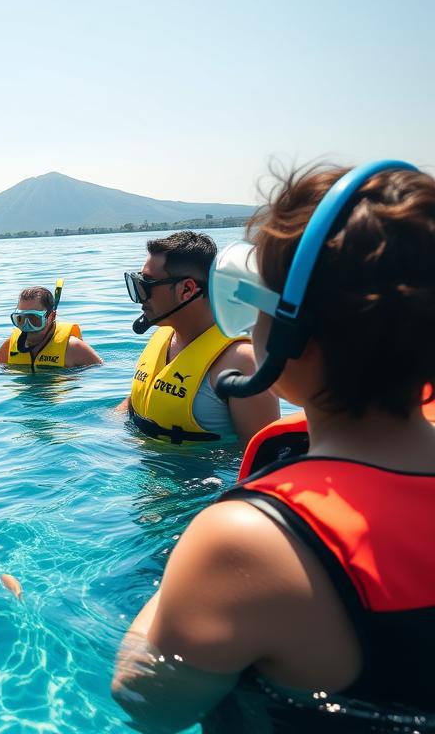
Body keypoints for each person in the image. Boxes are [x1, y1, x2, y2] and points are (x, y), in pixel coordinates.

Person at [111, 161, 435, 732]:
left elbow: (146, 701)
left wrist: (186, 571)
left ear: (292, 332)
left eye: (258, 298)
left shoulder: (244, 541)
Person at [117, 231, 279, 444]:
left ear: (187, 289)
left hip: (203, 476)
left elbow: (264, 458)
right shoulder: (163, 336)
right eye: (136, 283)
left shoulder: (244, 363)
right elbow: (136, 402)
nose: (139, 297)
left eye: (146, 286)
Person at [0, 280, 103, 371]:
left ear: (51, 317)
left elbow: (101, 375)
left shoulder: (73, 348)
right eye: (20, 319)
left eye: (34, 319)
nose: (27, 326)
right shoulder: (10, 346)